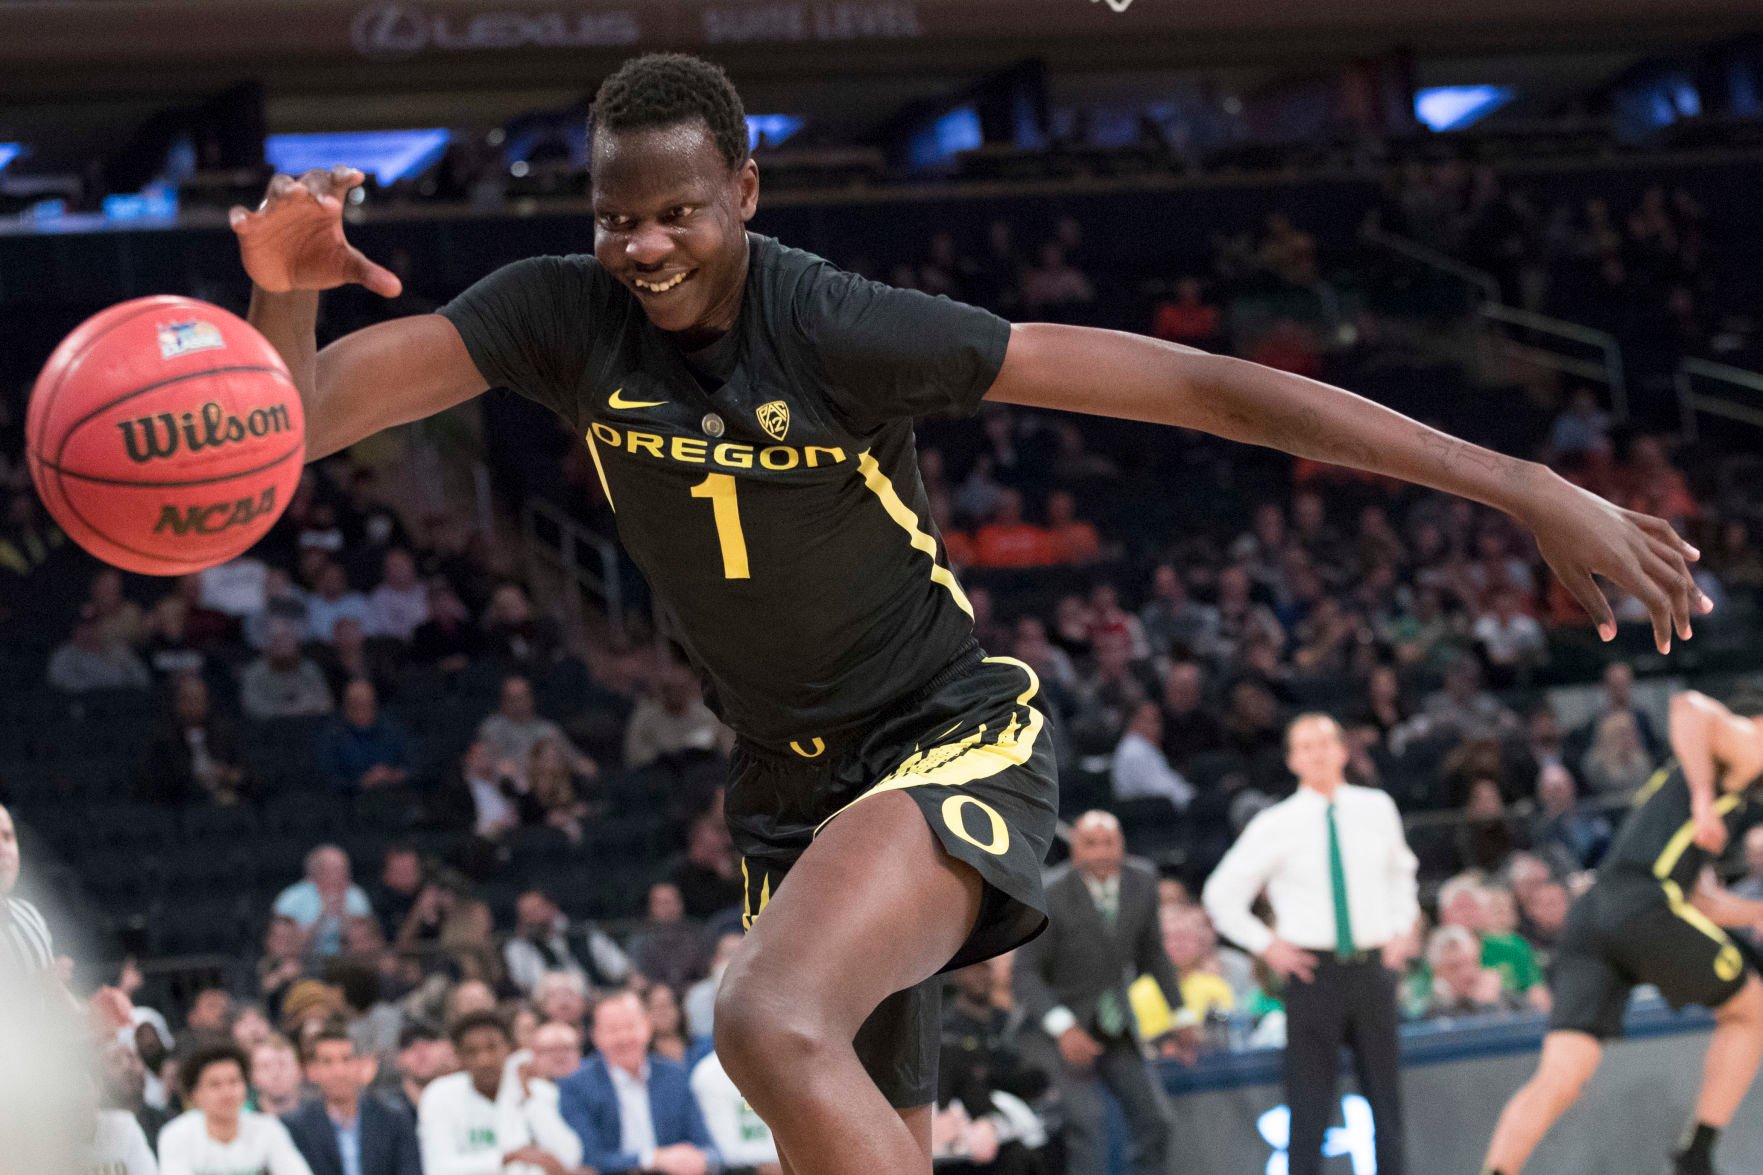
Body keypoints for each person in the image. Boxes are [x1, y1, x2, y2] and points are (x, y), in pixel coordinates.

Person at [232, 51, 1705, 1175]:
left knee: (759, 1020)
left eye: (677, 210)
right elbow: (282, 428)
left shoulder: (836, 325)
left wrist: (1516, 481)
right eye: (617, 217)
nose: (646, 246)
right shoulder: (560, 312)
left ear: (745, 189)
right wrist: (286, 297)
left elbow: (1192, 385)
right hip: (783, 793)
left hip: (943, 739)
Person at [1482, 690, 1763, 1175]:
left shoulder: (1721, 789)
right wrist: (1701, 799)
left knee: (1562, 1076)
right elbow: (1687, 706)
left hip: (1595, 914)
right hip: (1642, 907)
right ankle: (1696, 1154)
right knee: (1752, 1009)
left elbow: (1698, 900)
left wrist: (1756, 912)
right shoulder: (1748, 745)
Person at [1202, 714, 1420, 1175]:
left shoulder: (1376, 807)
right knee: (1309, 1109)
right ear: (1292, 760)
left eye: (1325, 742)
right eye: (1305, 745)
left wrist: (1403, 928)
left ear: (1344, 750)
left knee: (1388, 1105)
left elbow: (1402, 872)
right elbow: (1220, 895)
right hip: (1312, 973)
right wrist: (1268, 945)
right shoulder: (1275, 822)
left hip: (1373, 968)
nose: (1318, 752)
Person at [1013, 811, 1177, 1175]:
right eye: (1091, 844)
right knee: (1090, 1124)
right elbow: (1025, 974)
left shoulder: (1143, 880)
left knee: (1157, 1120)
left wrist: (1180, 1015)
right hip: (1056, 1030)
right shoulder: (1050, 892)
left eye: (1109, 843)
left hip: (1114, 1025)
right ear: (1075, 851)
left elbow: (1153, 954)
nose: (1101, 852)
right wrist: (1064, 1028)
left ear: (1122, 845)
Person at [556, 989, 719, 1175]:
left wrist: (701, 1159)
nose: (624, 1038)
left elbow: (707, 1146)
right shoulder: (576, 1086)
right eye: (613, 1030)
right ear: (595, 1036)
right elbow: (590, 1158)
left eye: (630, 1027)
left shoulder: (674, 1076)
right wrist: (651, 1159)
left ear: (647, 1027)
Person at [418, 1011, 579, 1175]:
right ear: (458, 1056)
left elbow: (569, 1157)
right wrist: (508, 1158)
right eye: (471, 1051)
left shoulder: (540, 1091)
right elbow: (438, 1169)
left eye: (492, 1047)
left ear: (509, 1048)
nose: (484, 1060)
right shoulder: (439, 1095)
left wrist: (528, 1098)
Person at [156, 1042, 314, 1175]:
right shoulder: (176, 1135)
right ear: (195, 1094)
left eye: (234, 1082)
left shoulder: (268, 1128)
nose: (227, 1093)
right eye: (215, 1085)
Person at [283, 1026, 422, 1175]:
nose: (339, 1071)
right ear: (312, 1071)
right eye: (327, 1062)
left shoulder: (394, 1120)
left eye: (346, 1059)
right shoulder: (296, 1127)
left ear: (361, 1065)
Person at [0, 801, 55, 974]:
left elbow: (52, 993)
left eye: (8, 837)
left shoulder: (29, 915)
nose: (3, 850)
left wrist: (90, 1002)